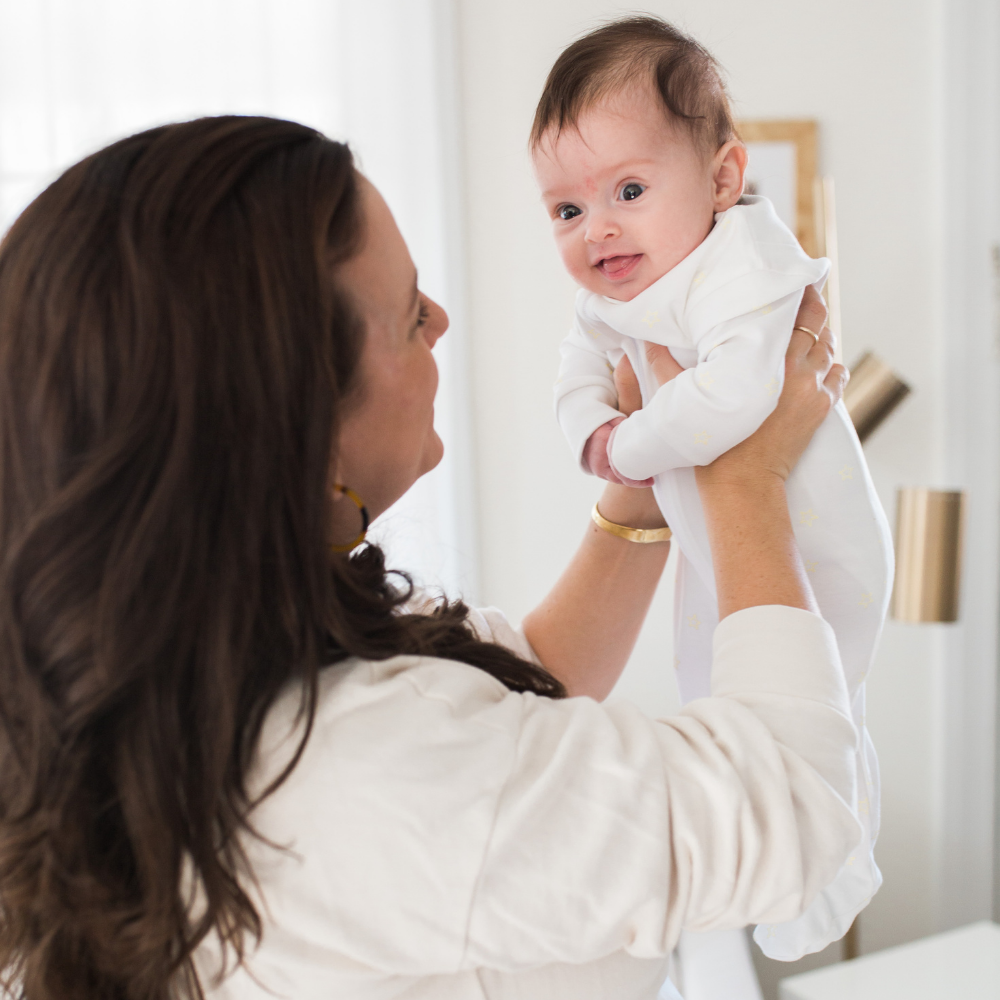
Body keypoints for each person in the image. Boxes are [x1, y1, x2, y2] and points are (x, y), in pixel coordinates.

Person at [0, 116, 856, 1000]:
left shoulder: (193, 678)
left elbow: (533, 679)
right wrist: (744, 477)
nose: (441, 321)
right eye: (410, 314)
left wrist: (645, 483)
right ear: (299, 420)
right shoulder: (358, 768)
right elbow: (789, 805)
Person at [533, 16, 890, 961]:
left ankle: (836, 859)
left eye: (630, 190)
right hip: (712, 530)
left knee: (820, 691)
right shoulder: (612, 295)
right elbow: (573, 389)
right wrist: (600, 442)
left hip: (818, 529)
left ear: (724, 180)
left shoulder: (747, 264)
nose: (596, 227)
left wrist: (629, 441)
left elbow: (736, 398)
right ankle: (795, 886)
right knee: (717, 691)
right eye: (566, 211)